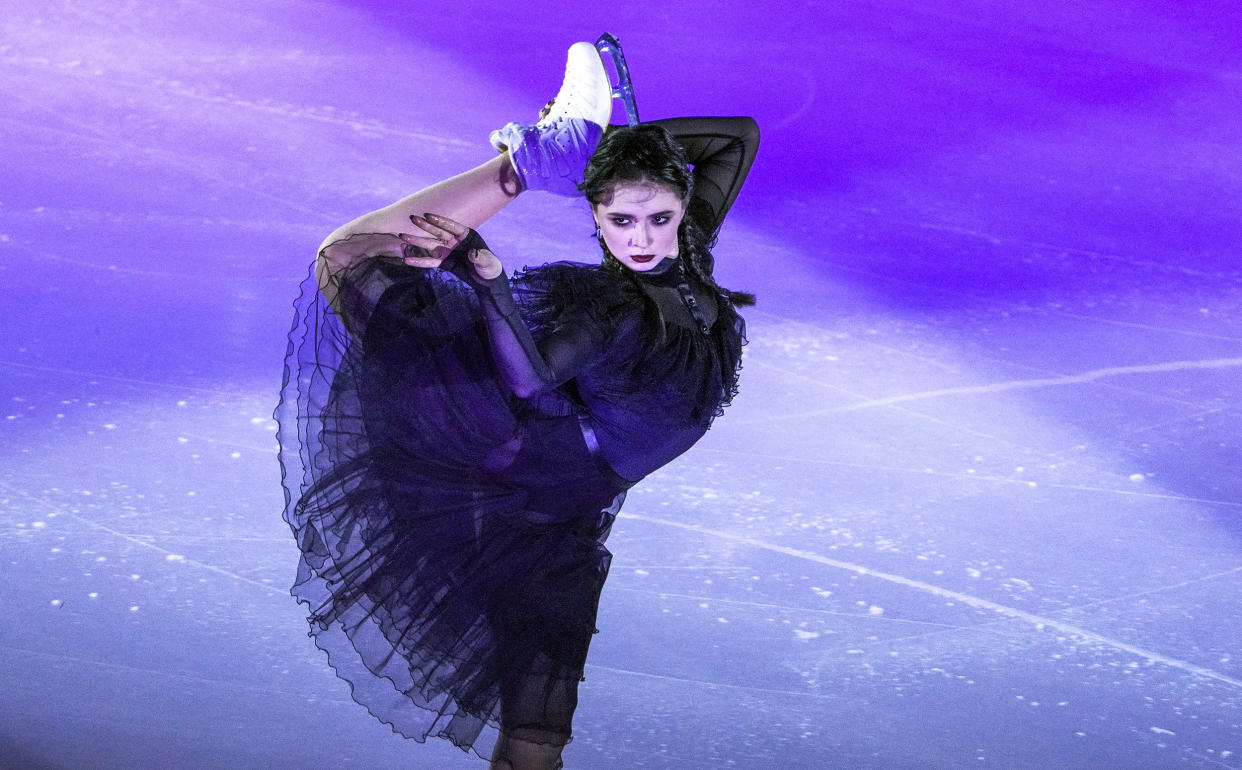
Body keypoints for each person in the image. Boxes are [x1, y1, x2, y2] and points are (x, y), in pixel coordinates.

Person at [276, 40, 758, 770]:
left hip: (558, 516)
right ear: (596, 220)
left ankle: (561, 159)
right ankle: (528, 168)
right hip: (514, 449)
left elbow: (737, 138)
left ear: (683, 206)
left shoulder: (686, 248)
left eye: (658, 217)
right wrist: (494, 285)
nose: (642, 238)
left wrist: (621, 156)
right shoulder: (612, 306)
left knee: (536, 742)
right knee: (348, 258)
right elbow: (529, 384)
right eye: (621, 221)